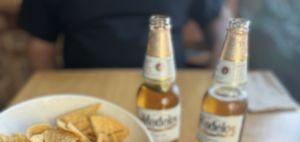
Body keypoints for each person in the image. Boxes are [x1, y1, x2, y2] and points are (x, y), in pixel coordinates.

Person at [19, 0, 232, 71]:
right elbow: (40, 44)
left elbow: (219, 19)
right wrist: (51, 96)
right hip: (82, 90)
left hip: (168, 88)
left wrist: (214, 77)